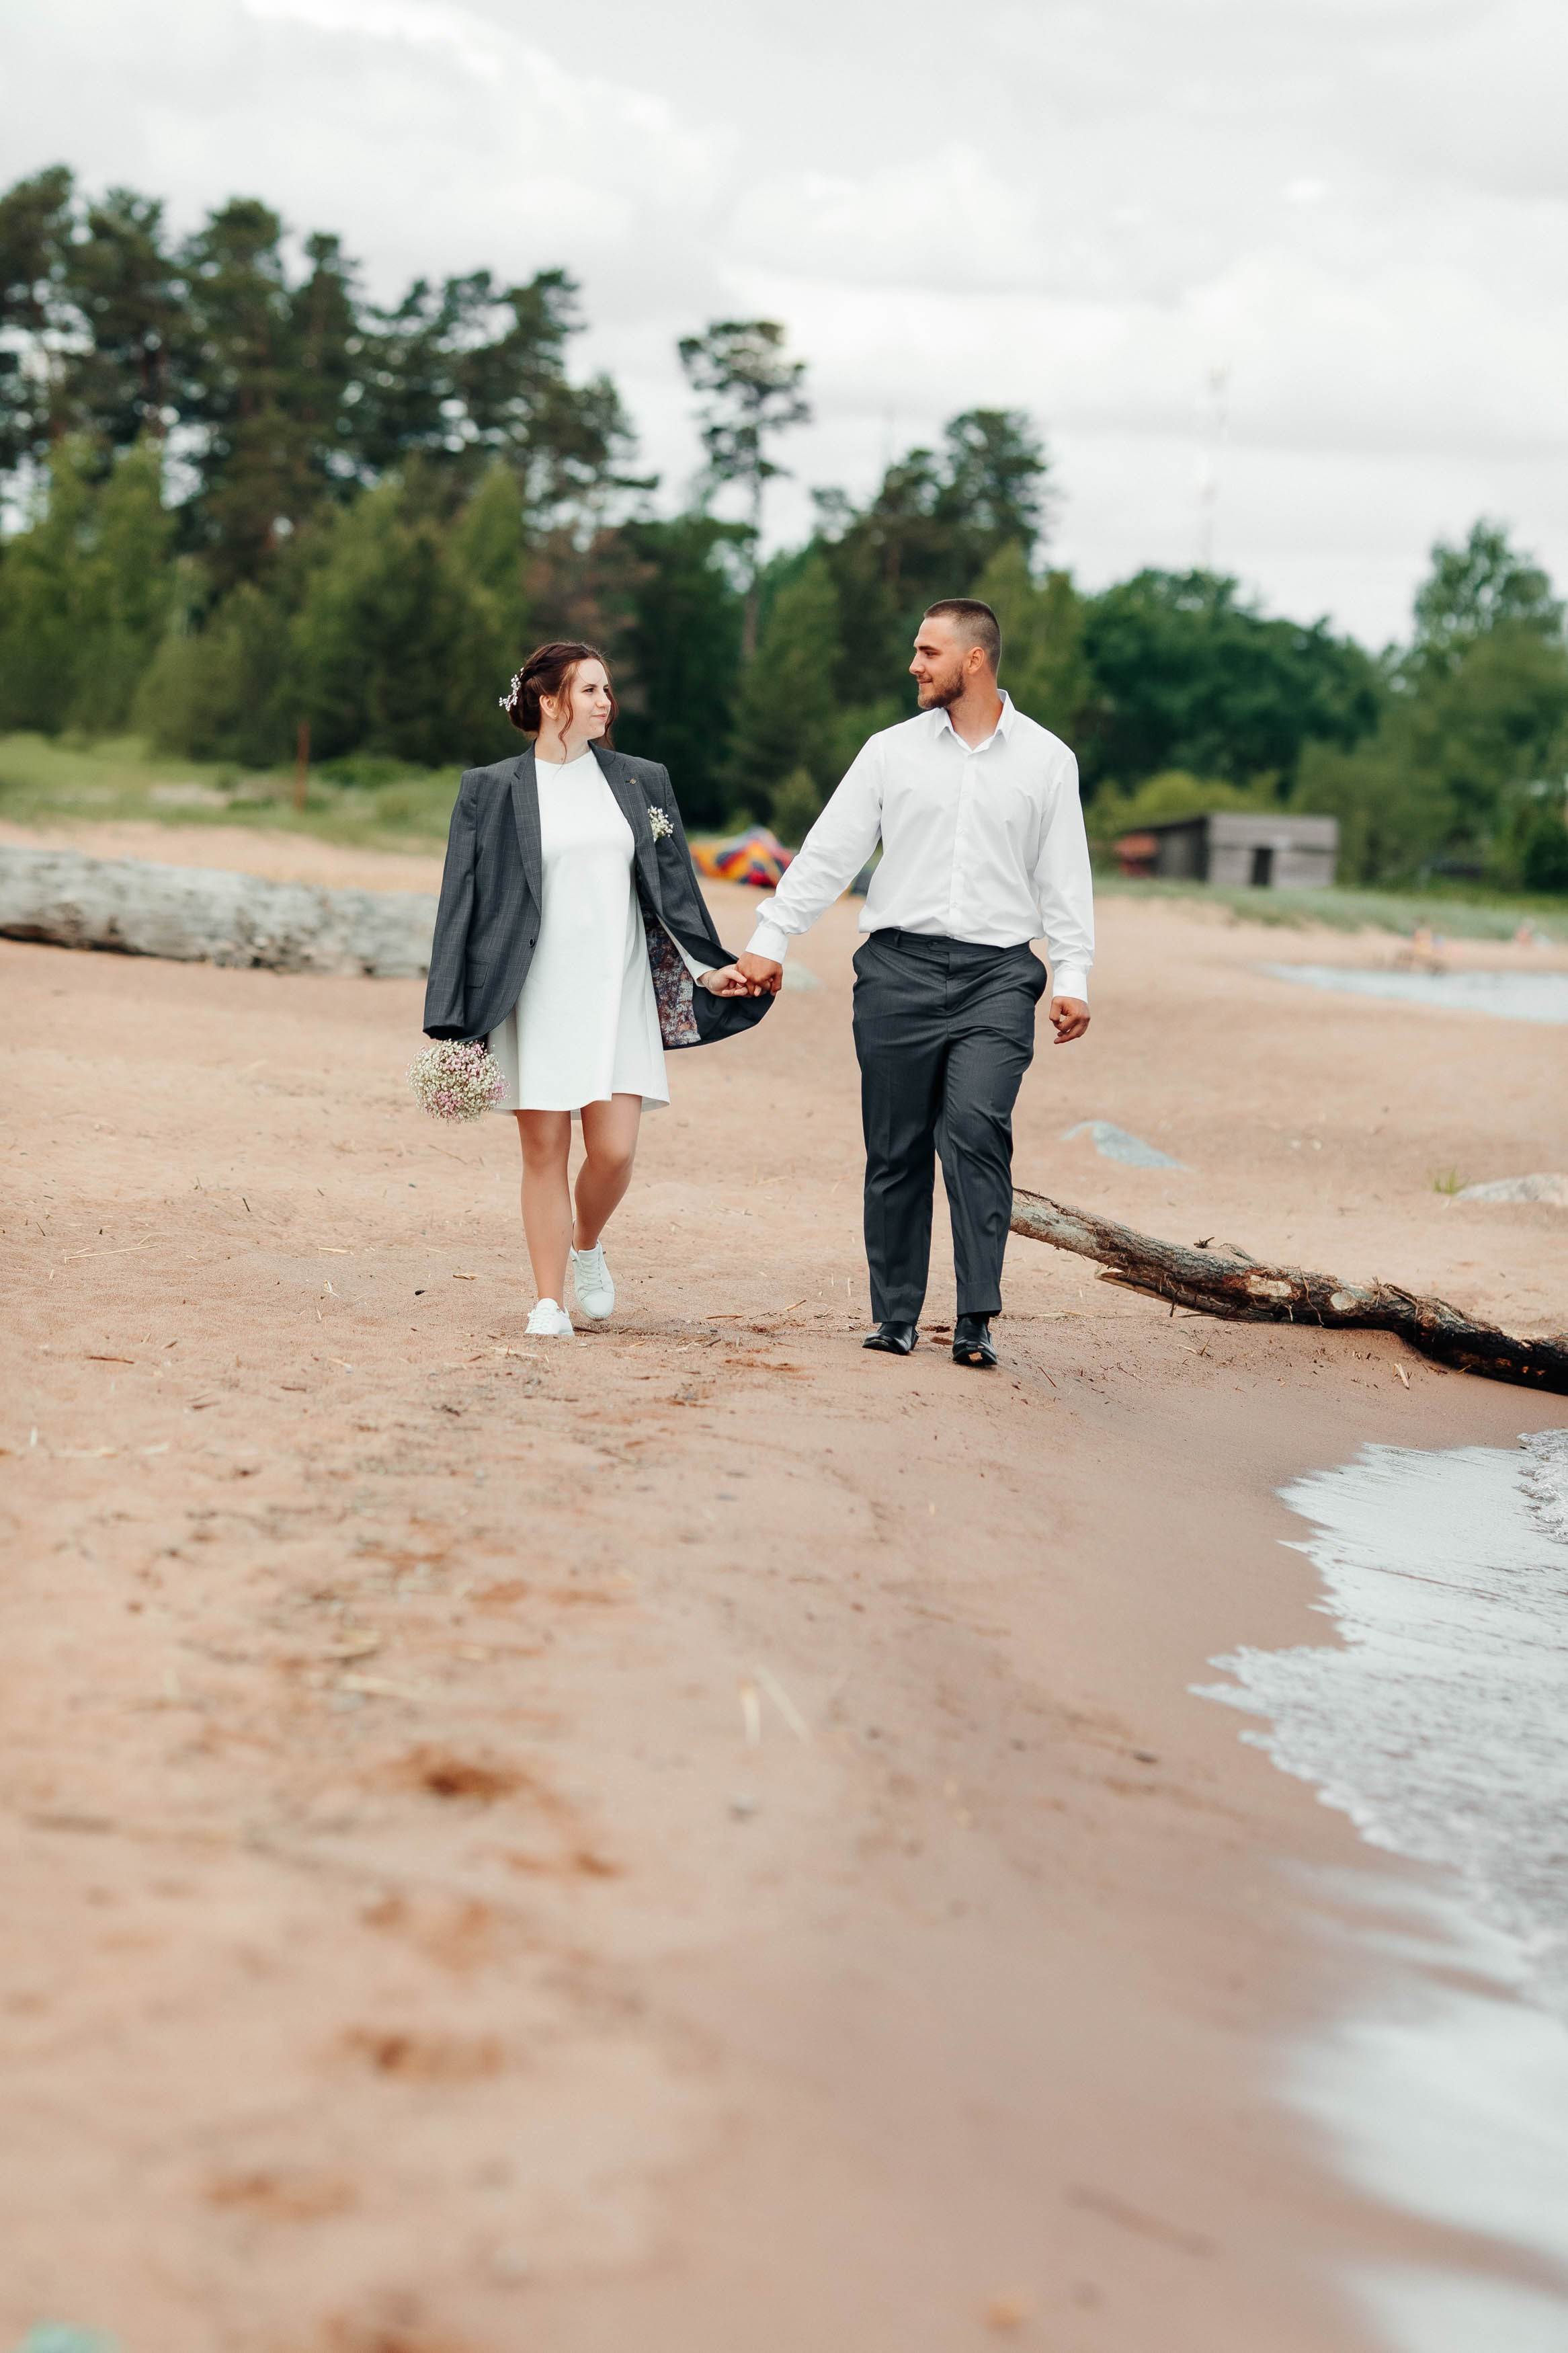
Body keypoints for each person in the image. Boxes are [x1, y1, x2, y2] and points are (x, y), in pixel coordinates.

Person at [736, 599, 1093, 1370]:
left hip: (998, 976)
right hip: (894, 967)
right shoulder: (888, 752)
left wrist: (1073, 973)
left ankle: (974, 1316)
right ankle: (894, 1314)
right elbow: (830, 851)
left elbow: (1063, 877)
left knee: (974, 1129)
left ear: (974, 660)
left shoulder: (1046, 760)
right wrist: (771, 936)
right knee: (895, 1148)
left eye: (927, 650)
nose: (913, 664)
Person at [423, 641, 769, 1337]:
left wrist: (708, 968)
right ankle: (549, 1301)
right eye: (589, 690)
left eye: (607, 689)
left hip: (618, 992)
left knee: (612, 1151)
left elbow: (674, 890)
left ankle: (587, 1244)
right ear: (549, 700)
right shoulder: (488, 789)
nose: (605, 702)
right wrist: (451, 1018)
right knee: (543, 1151)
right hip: (531, 994)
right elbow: (458, 904)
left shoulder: (641, 781)